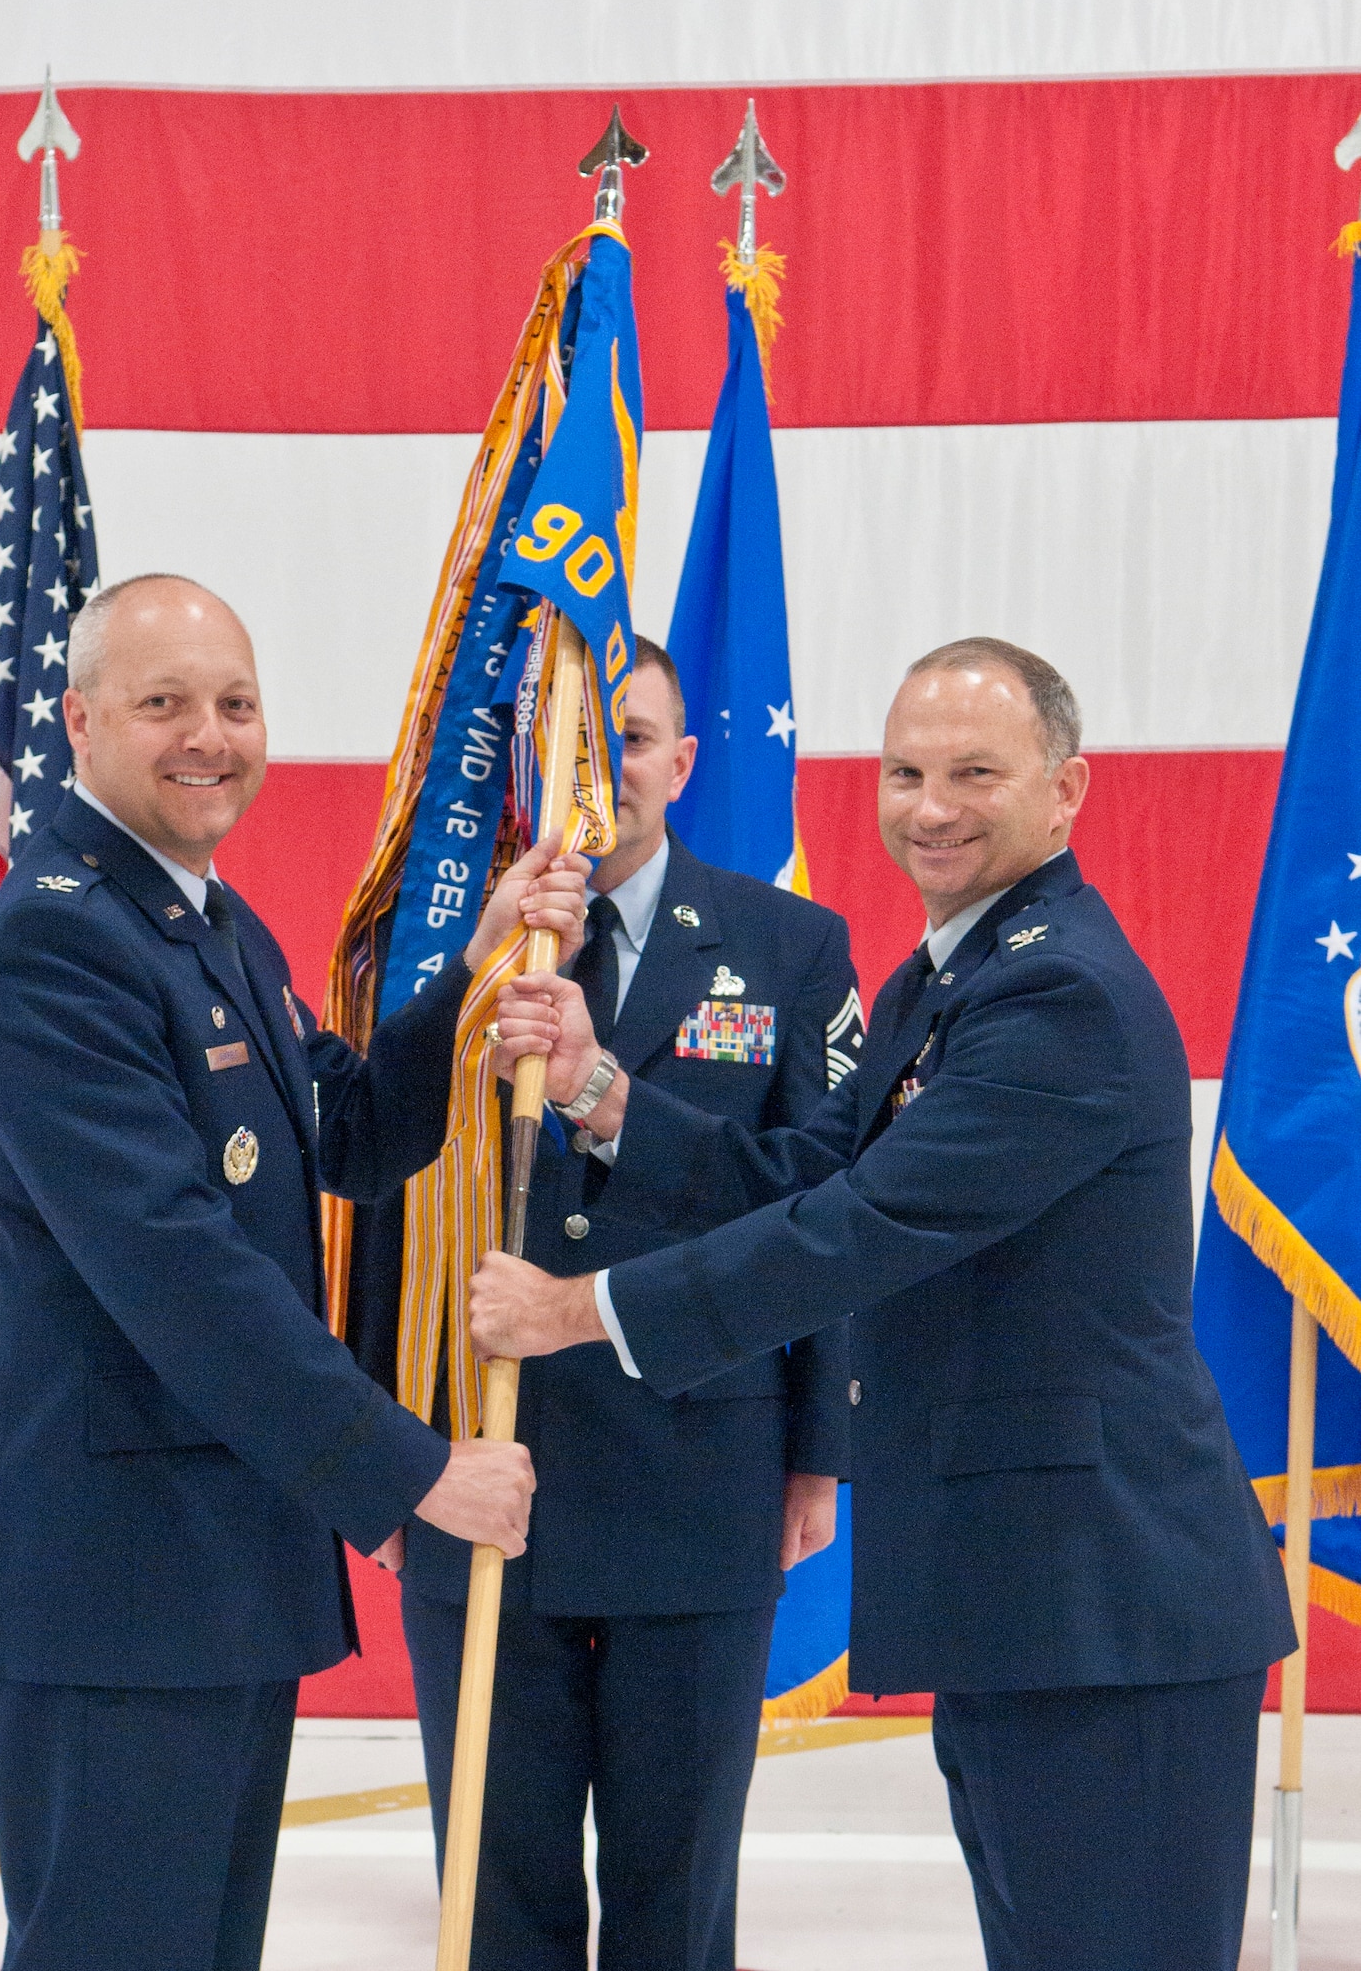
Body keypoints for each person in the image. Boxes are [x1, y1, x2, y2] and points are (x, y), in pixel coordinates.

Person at [470, 637, 1297, 1971]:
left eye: (975, 771)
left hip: (1107, 1605)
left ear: (1066, 789)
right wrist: (598, 1093)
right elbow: (806, 1169)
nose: (929, 805)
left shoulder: (1053, 992)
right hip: (1032, 1597)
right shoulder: (950, 973)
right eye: (905, 770)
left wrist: (584, 1312)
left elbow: (860, 1230)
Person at [0, 573, 587, 1971]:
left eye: (235, 703)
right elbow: (180, 1270)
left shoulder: (200, 922)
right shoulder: (63, 944)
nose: (208, 736)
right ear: (82, 720)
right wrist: (407, 1471)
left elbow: (337, 1131)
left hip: (204, 1570)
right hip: (112, 1588)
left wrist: (469, 975)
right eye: (164, 702)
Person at [366, 637, 862, 1971]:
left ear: (682, 762)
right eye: (571, 748)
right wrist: (378, 1461)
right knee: (494, 1895)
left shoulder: (790, 947)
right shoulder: (441, 947)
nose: (602, 776)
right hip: (478, 1479)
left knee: (675, 1890)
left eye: (629, 742)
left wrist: (817, 1449)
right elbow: (374, 1199)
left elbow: (825, 1205)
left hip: (700, 1475)